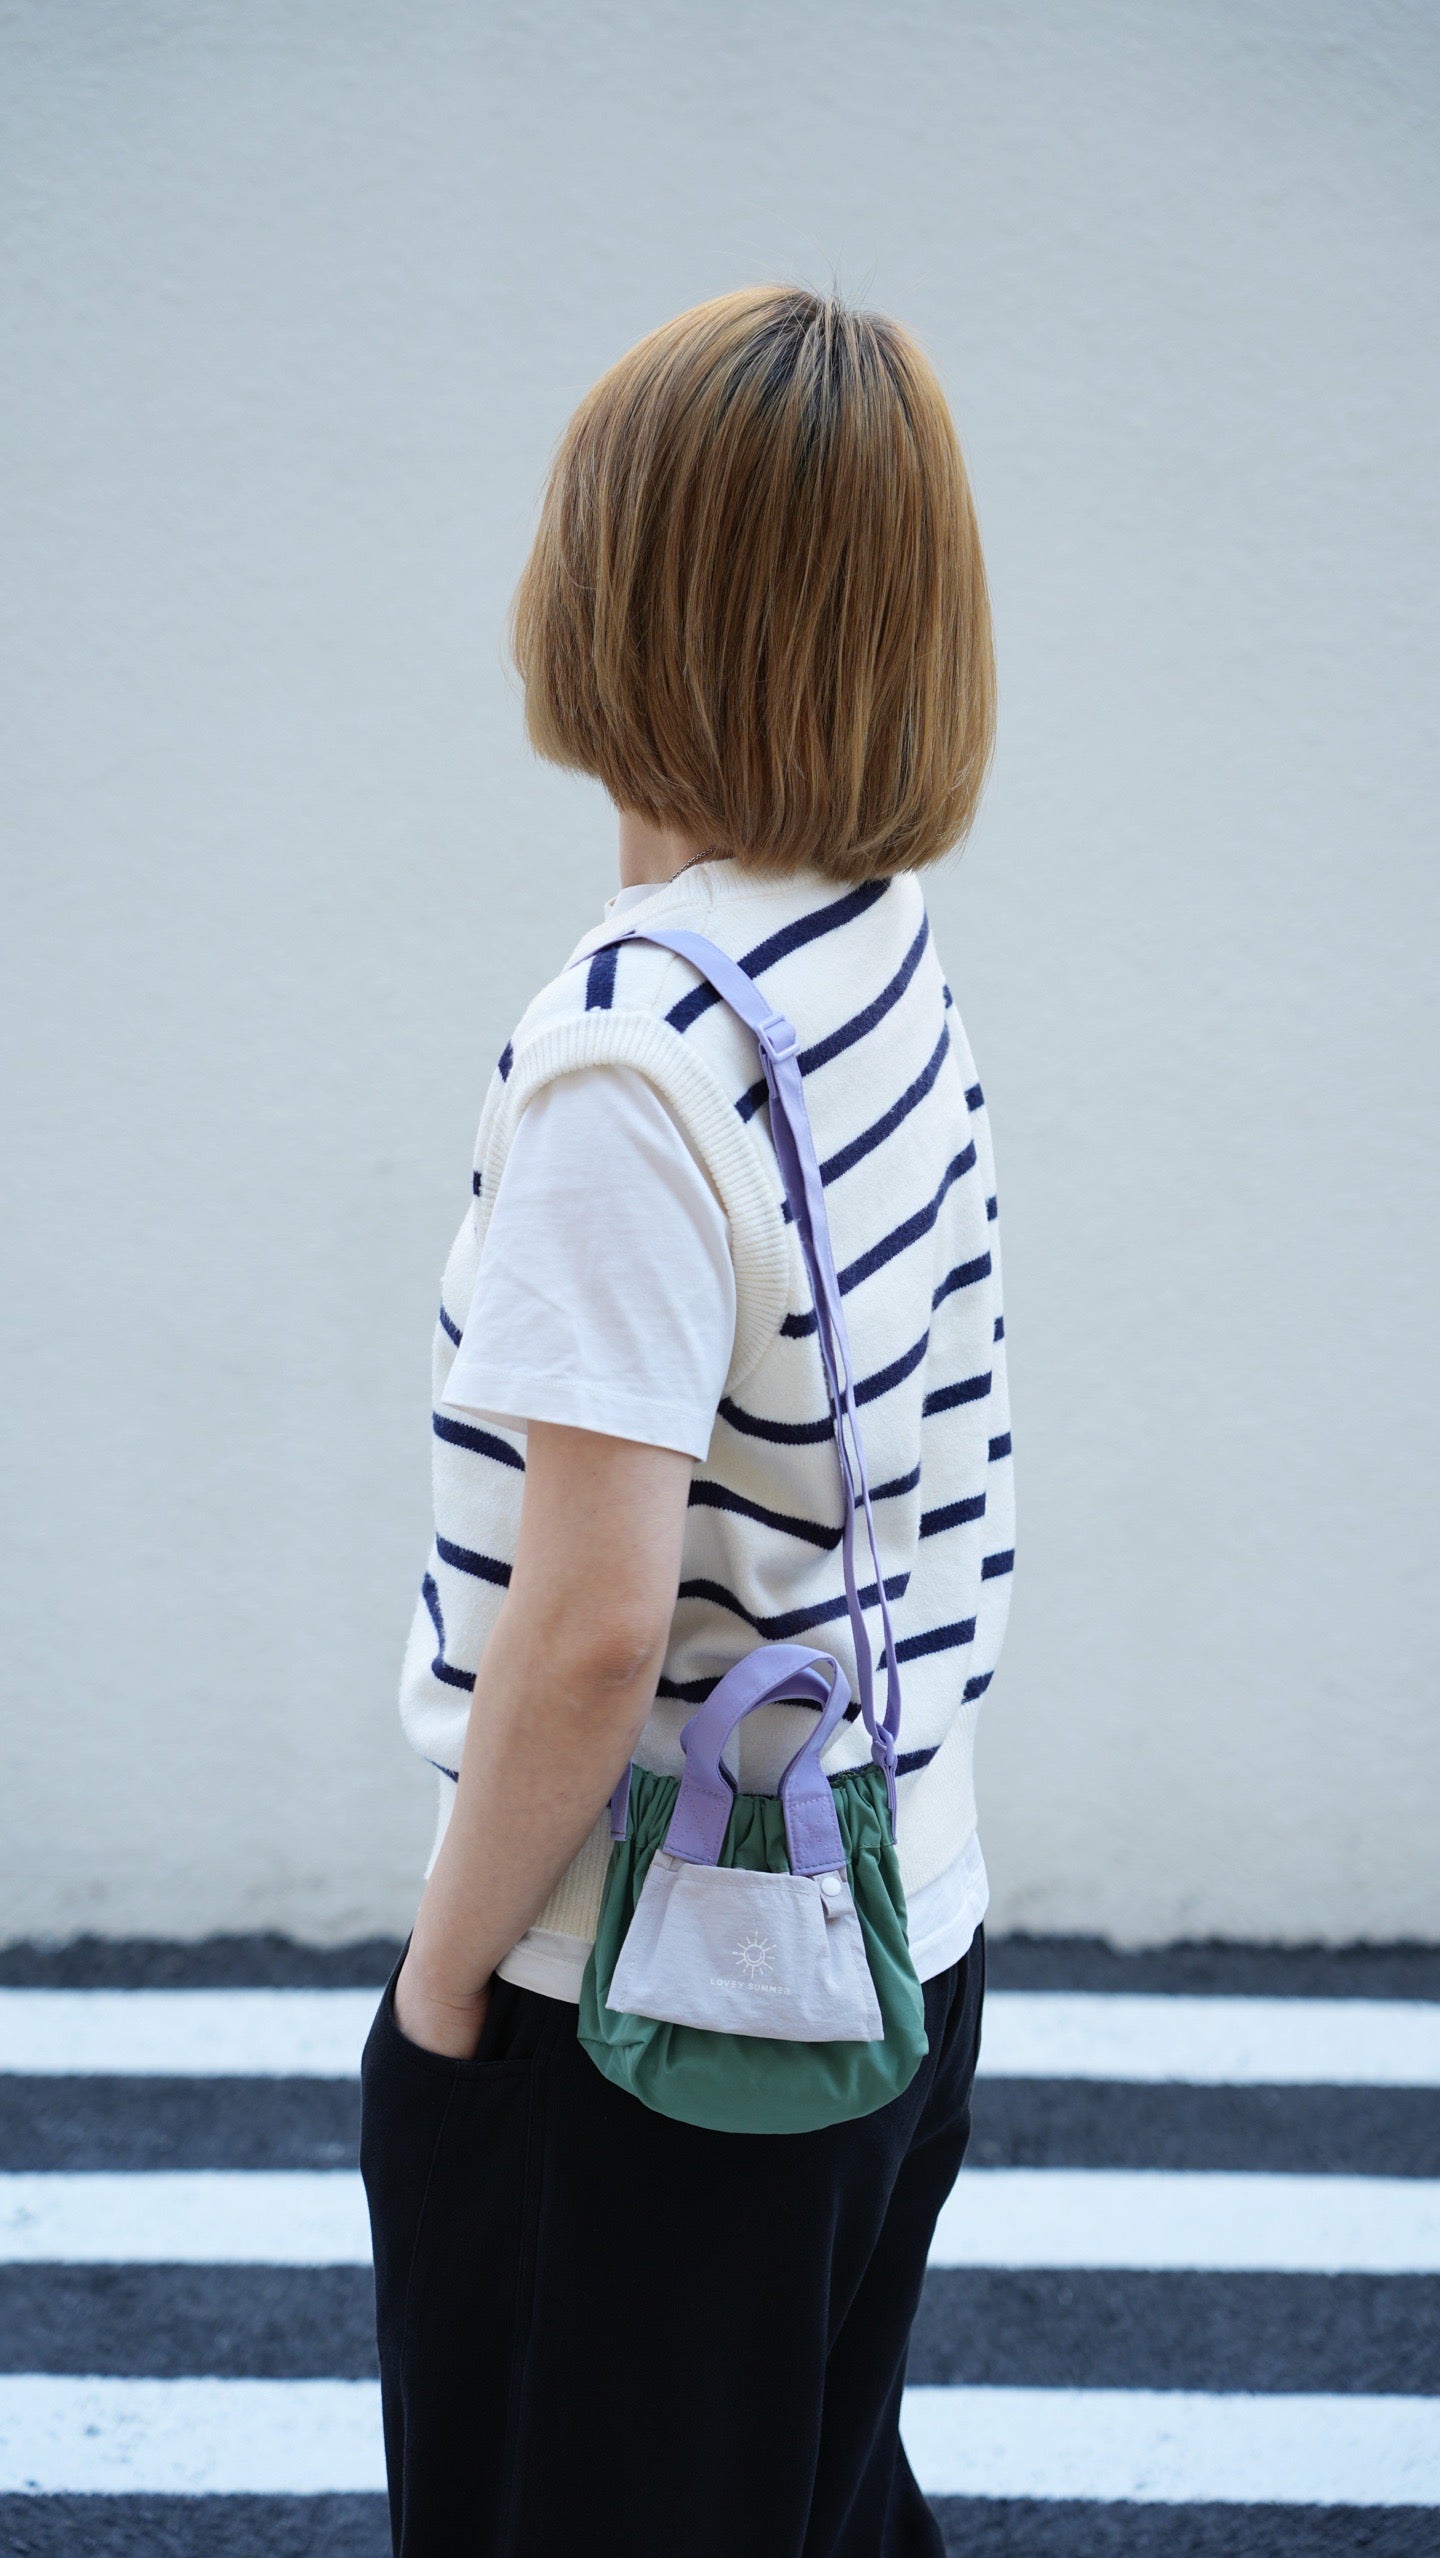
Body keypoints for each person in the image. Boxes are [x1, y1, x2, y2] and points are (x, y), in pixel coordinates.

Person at [360, 284, 1015, 2558]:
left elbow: (587, 1630)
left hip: (636, 2001)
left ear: (624, 601)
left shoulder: (639, 1056)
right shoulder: (870, 944)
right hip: (894, 1933)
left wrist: (443, 2002)